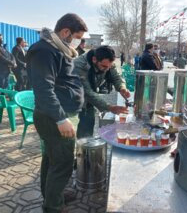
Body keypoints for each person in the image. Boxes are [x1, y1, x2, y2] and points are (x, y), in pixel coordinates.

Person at [26, 13, 88, 213]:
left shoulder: (60, 49)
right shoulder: (44, 51)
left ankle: (52, 194)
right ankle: (53, 206)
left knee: (52, 158)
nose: (78, 41)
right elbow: (44, 89)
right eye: (77, 36)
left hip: (61, 113)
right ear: (65, 32)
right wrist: (61, 118)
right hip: (55, 116)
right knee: (62, 162)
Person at [73, 45, 130, 139]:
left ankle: (85, 149)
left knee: (86, 131)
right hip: (71, 101)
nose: (107, 69)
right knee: (68, 135)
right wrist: (109, 107)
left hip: (88, 101)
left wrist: (122, 88)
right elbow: (87, 92)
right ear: (94, 59)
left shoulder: (107, 63)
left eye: (109, 66)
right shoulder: (78, 66)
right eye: (104, 66)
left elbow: (115, 76)